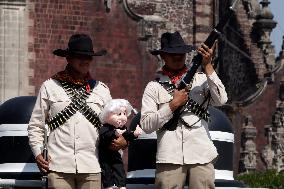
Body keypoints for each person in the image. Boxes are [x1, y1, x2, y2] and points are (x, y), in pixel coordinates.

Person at [27, 34, 127, 189]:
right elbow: (36, 125)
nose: (85, 61)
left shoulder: (101, 90)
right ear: (68, 58)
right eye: (79, 56)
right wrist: (38, 153)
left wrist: (123, 141)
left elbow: (115, 124)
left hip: (92, 165)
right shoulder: (50, 86)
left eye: (88, 57)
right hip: (58, 165)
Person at [140, 31, 228, 189]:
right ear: (163, 56)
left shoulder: (201, 78)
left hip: (201, 153)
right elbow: (146, 125)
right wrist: (172, 105)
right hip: (169, 156)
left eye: (181, 53)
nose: (177, 57)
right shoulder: (154, 87)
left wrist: (208, 66)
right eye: (172, 53)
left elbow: (222, 100)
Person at [98, 99, 142, 189]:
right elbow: (104, 135)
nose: (123, 117)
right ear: (107, 115)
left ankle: (121, 185)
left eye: (124, 114)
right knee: (106, 171)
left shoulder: (122, 128)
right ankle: (108, 186)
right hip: (105, 156)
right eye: (119, 114)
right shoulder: (105, 127)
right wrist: (115, 133)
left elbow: (127, 135)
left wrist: (134, 134)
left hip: (116, 155)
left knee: (119, 169)